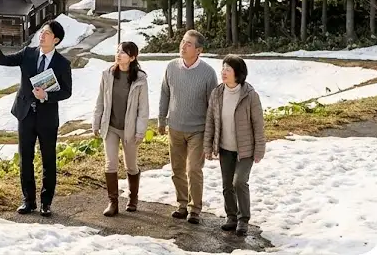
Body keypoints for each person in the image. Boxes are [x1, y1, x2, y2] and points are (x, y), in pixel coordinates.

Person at [0, 19, 73, 217]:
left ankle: (46, 202)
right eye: (42, 32)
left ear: (56, 40)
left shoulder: (62, 63)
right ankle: (28, 200)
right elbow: (3, 60)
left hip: (47, 117)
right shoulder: (28, 54)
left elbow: (67, 91)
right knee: (26, 158)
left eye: (47, 33)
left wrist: (47, 96)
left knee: (48, 159)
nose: (42, 35)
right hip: (25, 114)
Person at [158, 29, 218, 224]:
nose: (183, 46)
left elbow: (213, 105)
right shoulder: (171, 67)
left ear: (198, 50)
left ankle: (195, 209)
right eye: (183, 41)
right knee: (177, 169)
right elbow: (165, 94)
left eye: (188, 44)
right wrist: (161, 119)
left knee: (193, 169)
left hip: (198, 130)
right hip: (175, 127)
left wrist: (212, 133)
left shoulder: (208, 73)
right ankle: (182, 205)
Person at [204, 55, 266, 237]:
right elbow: (210, 121)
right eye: (223, 68)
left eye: (228, 69)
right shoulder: (217, 93)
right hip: (225, 148)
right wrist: (208, 146)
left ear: (238, 74)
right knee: (226, 185)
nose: (223, 72)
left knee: (239, 181)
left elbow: (258, 124)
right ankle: (231, 217)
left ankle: (243, 219)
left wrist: (259, 149)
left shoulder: (250, 95)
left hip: (245, 149)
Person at [92, 41, 149, 217]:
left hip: (130, 129)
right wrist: (96, 122)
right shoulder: (108, 74)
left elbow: (143, 108)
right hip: (110, 126)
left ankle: (133, 197)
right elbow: (100, 100)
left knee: (131, 166)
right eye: (117, 51)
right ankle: (113, 202)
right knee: (110, 163)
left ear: (132, 57)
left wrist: (140, 131)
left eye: (123, 53)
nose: (119, 55)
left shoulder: (140, 79)